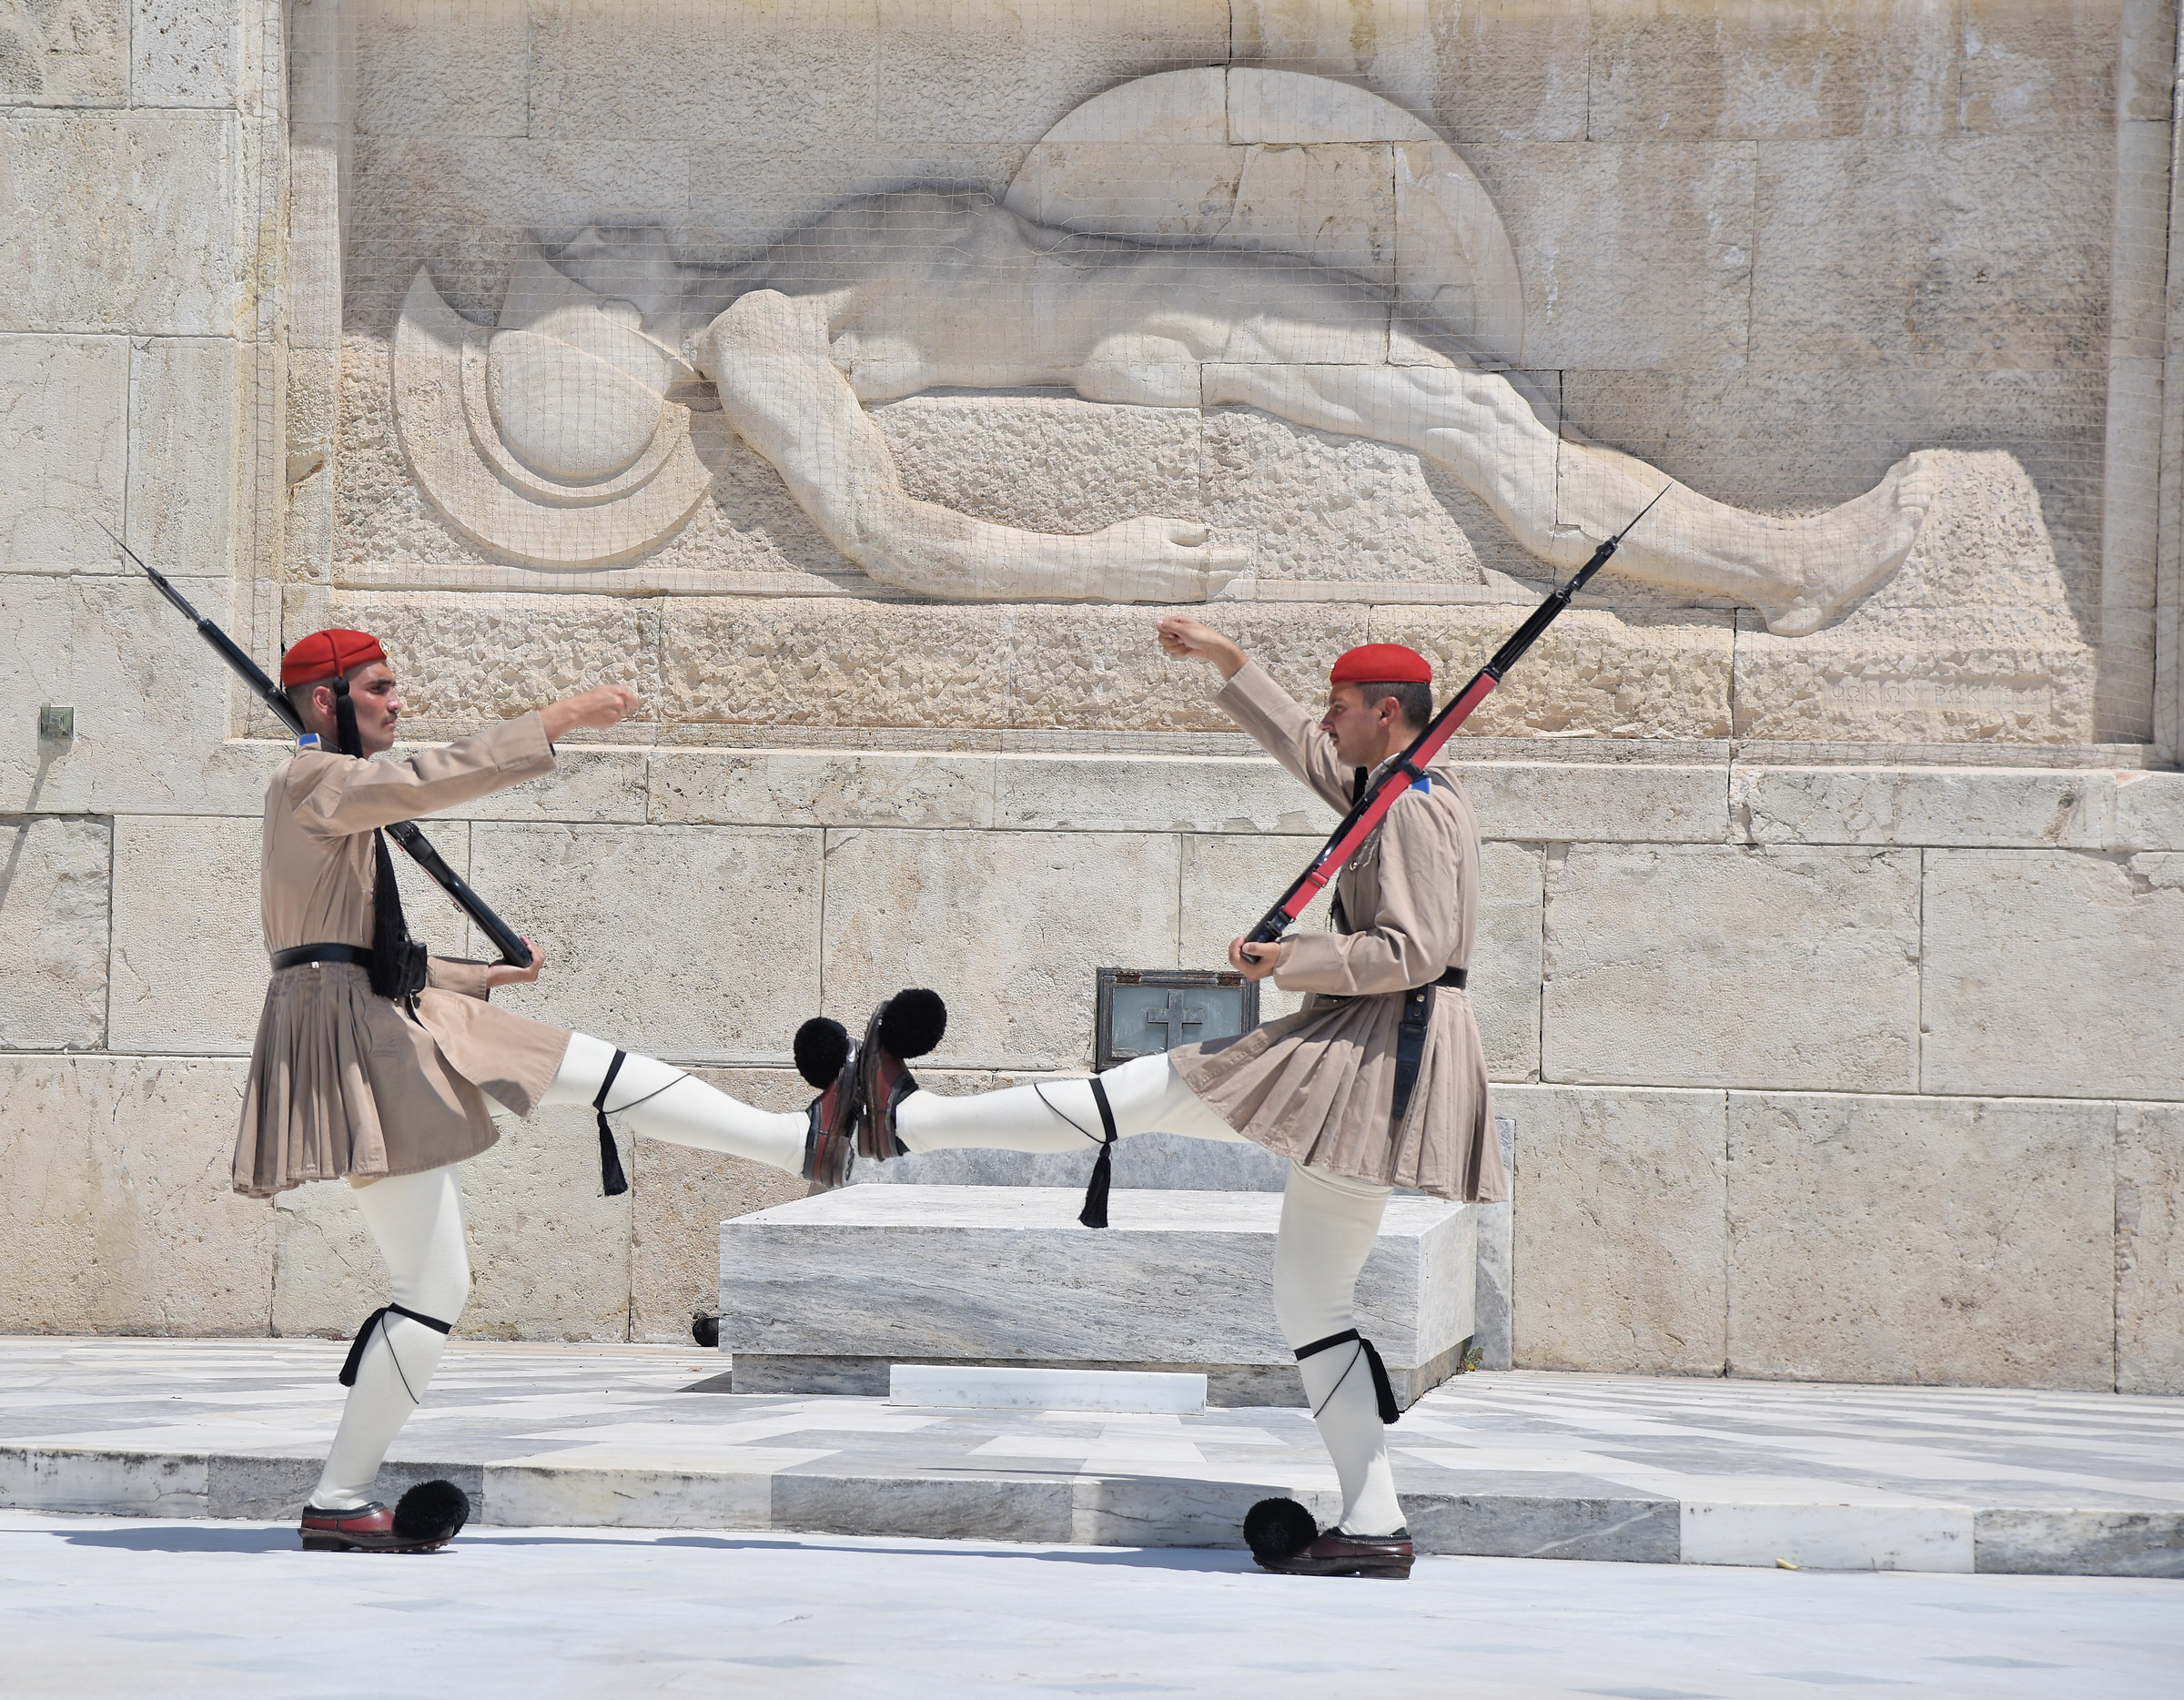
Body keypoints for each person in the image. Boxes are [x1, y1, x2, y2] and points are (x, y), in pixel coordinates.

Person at [791, 616, 1501, 1579]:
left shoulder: (1414, 808)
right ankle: (1373, 1522)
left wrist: (1288, 957)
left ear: (1386, 713)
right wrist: (1230, 663)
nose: (1327, 723)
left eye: (1341, 707)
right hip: (1382, 1053)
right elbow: (1305, 747)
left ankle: (903, 1117)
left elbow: (1412, 949)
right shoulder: (1388, 785)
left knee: (1149, 1088)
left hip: (1379, 1053)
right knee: (1312, 1296)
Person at [552, 197, 1935, 633]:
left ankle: (1765, 562)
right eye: (577, 270)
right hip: (1155, 321)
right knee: (1480, 422)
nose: (606, 230)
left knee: (1477, 407)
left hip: (1157, 294)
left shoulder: (781, 263)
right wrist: (1110, 565)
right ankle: (1784, 571)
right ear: (612, 335)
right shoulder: (759, 339)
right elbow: (883, 533)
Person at [241, 628, 856, 1553]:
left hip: (393, 1010)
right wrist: (557, 720)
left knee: (581, 1063)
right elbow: (431, 779)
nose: (398, 701)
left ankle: (793, 1141)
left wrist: (479, 977)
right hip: (362, 1045)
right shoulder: (310, 782)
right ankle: (338, 1495)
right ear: (325, 701)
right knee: (432, 1284)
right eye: (379, 687)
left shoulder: (331, 790)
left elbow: (359, 949)